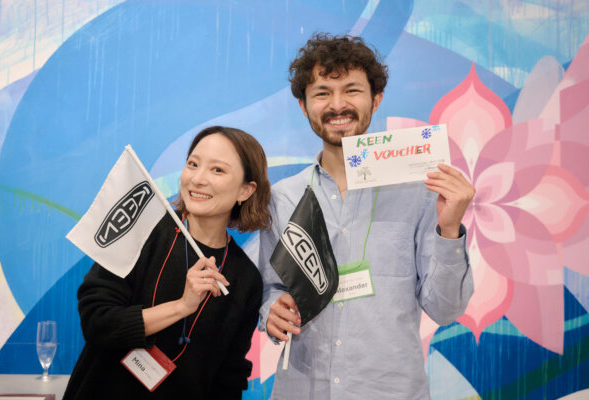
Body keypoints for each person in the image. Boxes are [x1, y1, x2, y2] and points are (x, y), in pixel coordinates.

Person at [258, 33, 475, 399]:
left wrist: (450, 227)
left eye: (352, 90)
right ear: (303, 106)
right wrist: (270, 310)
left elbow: (445, 310)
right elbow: (270, 289)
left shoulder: (422, 193)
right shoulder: (282, 198)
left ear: (376, 99)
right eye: (322, 93)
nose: (337, 105)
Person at [63, 126, 271, 399]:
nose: (197, 179)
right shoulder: (143, 228)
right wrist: (182, 306)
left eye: (217, 170)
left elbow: (229, 377)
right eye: (193, 164)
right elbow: (98, 323)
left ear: (245, 190)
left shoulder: (245, 278)